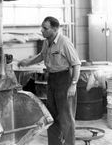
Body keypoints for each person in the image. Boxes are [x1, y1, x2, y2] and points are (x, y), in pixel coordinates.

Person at [18, 16, 81, 145]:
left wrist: (73, 84)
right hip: (52, 79)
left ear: (55, 29)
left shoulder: (64, 42)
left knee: (66, 117)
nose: (42, 30)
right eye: (42, 27)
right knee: (51, 115)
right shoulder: (46, 42)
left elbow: (77, 64)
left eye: (45, 28)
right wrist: (27, 62)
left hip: (65, 80)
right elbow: (41, 56)